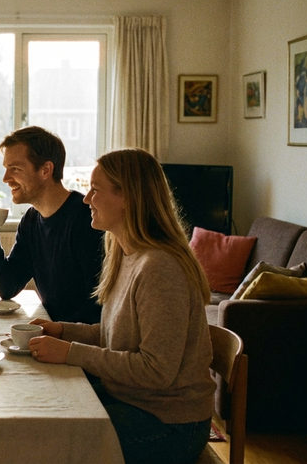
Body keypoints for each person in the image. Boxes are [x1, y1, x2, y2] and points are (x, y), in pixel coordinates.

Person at [27, 148, 215, 464]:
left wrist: (70, 352)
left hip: (171, 424)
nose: (86, 199)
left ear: (127, 197)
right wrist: (62, 331)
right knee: (42, 411)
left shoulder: (158, 267)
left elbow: (157, 371)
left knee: (48, 442)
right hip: (133, 401)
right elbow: (119, 335)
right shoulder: (127, 255)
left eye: (96, 190)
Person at [0, 126, 104, 323]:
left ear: (45, 170)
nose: (5, 179)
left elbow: (97, 305)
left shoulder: (87, 220)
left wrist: (54, 335)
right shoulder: (31, 220)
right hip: (53, 335)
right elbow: (8, 286)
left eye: (14, 169)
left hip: (77, 343)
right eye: (6, 169)